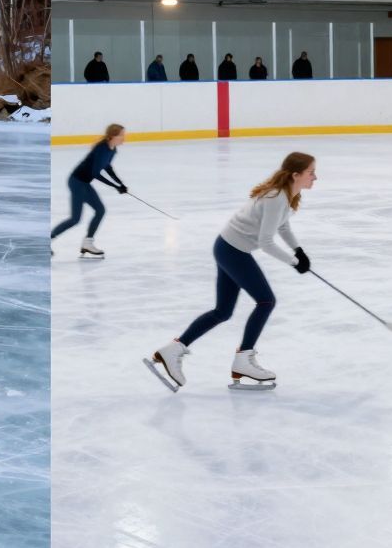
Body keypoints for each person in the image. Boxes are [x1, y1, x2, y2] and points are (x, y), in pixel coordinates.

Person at [146, 152, 315, 392]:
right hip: (233, 251)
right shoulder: (276, 197)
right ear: (296, 174)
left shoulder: (288, 195)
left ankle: (172, 350)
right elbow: (266, 241)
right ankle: (243, 359)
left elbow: (283, 224)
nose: (315, 177)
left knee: (222, 311)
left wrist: (298, 250)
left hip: (227, 247)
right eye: (311, 172)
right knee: (266, 301)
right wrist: (293, 262)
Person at [50, 124, 127, 259]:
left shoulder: (112, 149)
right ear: (113, 136)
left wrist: (120, 183)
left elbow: (108, 167)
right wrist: (115, 186)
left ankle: (88, 243)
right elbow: (96, 173)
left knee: (100, 210)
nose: (124, 137)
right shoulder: (101, 148)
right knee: (75, 219)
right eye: (122, 135)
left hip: (84, 183)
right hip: (77, 182)